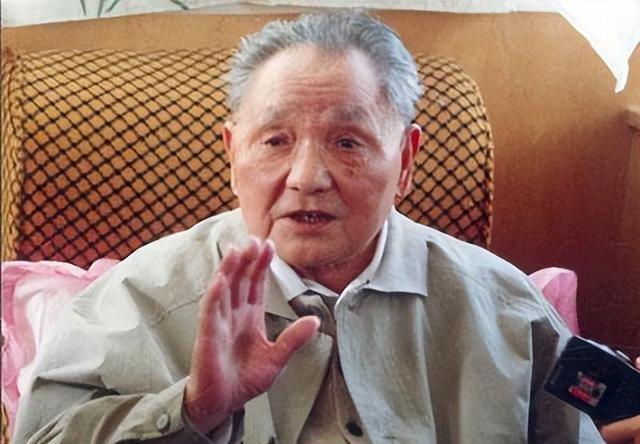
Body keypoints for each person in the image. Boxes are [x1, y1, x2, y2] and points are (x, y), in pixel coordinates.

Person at [13, 10, 608, 444]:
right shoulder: (137, 299)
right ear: (233, 154)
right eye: (275, 141)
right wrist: (192, 410)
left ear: (405, 162)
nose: (306, 178)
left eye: (347, 142)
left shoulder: (508, 311)